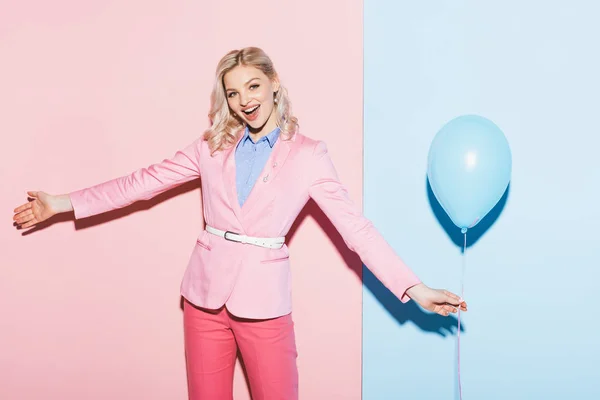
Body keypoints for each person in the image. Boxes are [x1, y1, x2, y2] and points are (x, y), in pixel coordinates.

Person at [13, 47, 467, 400]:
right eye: (233, 92)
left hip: (265, 306)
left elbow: (356, 228)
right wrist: (63, 202)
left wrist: (413, 288)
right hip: (203, 301)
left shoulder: (309, 155)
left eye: (253, 86)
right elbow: (141, 182)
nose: (245, 101)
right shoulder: (211, 147)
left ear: (273, 85)